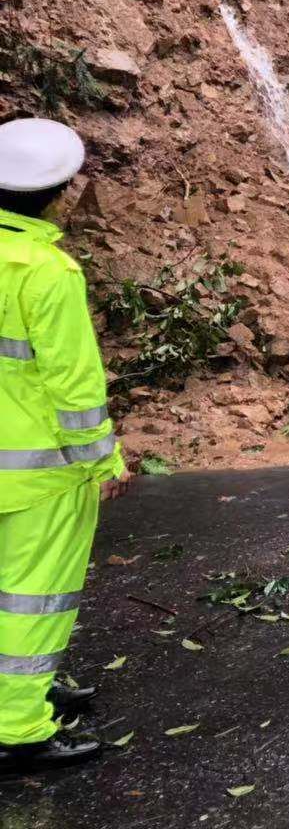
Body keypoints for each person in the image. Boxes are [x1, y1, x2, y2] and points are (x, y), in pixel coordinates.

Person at [0, 118, 134, 771]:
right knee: (32, 595)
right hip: (39, 474)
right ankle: (19, 728)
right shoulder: (48, 272)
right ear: (58, 196)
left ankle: (16, 690)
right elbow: (75, 389)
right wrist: (102, 460)